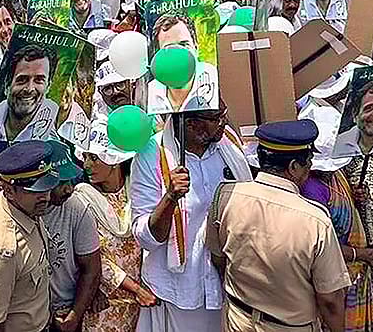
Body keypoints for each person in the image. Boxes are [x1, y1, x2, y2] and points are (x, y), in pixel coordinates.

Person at [206, 120, 351, 332]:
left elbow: (219, 258)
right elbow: (330, 299)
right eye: (308, 161)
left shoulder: (225, 196)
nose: (310, 167)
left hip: (238, 319)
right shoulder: (316, 220)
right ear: (293, 167)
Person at [131, 106, 251, 332]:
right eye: (216, 117)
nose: (224, 122)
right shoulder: (150, 154)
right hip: (180, 291)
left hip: (229, 283)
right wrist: (170, 197)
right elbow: (145, 238)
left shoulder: (228, 145)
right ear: (190, 124)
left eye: (224, 113)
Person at [76, 117, 155, 332]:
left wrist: (142, 290)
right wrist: (135, 289)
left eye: (94, 158)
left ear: (114, 161)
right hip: (105, 304)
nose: (87, 165)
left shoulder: (138, 191)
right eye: (85, 157)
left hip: (143, 302)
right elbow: (94, 257)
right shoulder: (83, 199)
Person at [0, 140, 56, 332]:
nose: (46, 196)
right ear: (9, 190)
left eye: (46, 187)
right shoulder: (2, 250)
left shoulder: (24, 207)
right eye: (35, 191)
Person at [41, 142, 102, 332]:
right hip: (28, 315)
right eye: (60, 182)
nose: (68, 189)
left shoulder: (76, 209)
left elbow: (91, 269)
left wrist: (74, 317)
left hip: (64, 311)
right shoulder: (20, 209)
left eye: (69, 181)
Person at [0, 46, 64, 144]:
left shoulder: (57, 117)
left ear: (48, 85)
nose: (29, 89)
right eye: (22, 80)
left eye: (39, 80)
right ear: (7, 84)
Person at [146, 13, 219, 113]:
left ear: (196, 47)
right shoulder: (150, 91)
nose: (179, 54)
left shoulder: (215, 77)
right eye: (170, 48)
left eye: (184, 45)